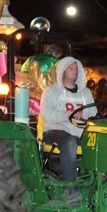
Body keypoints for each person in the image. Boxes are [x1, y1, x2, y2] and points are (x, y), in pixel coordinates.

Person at [40, 57, 95, 203]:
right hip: (56, 131)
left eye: (76, 68)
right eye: (71, 68)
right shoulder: (51, 92)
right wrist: (67, 115)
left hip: (80, 132)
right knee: (69, 142)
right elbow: (46, 114)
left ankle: (98, 187)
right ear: (62, 71)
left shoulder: (86, 93)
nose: (75, 71)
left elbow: (93, 113)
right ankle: (70, 189)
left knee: (101, 142)